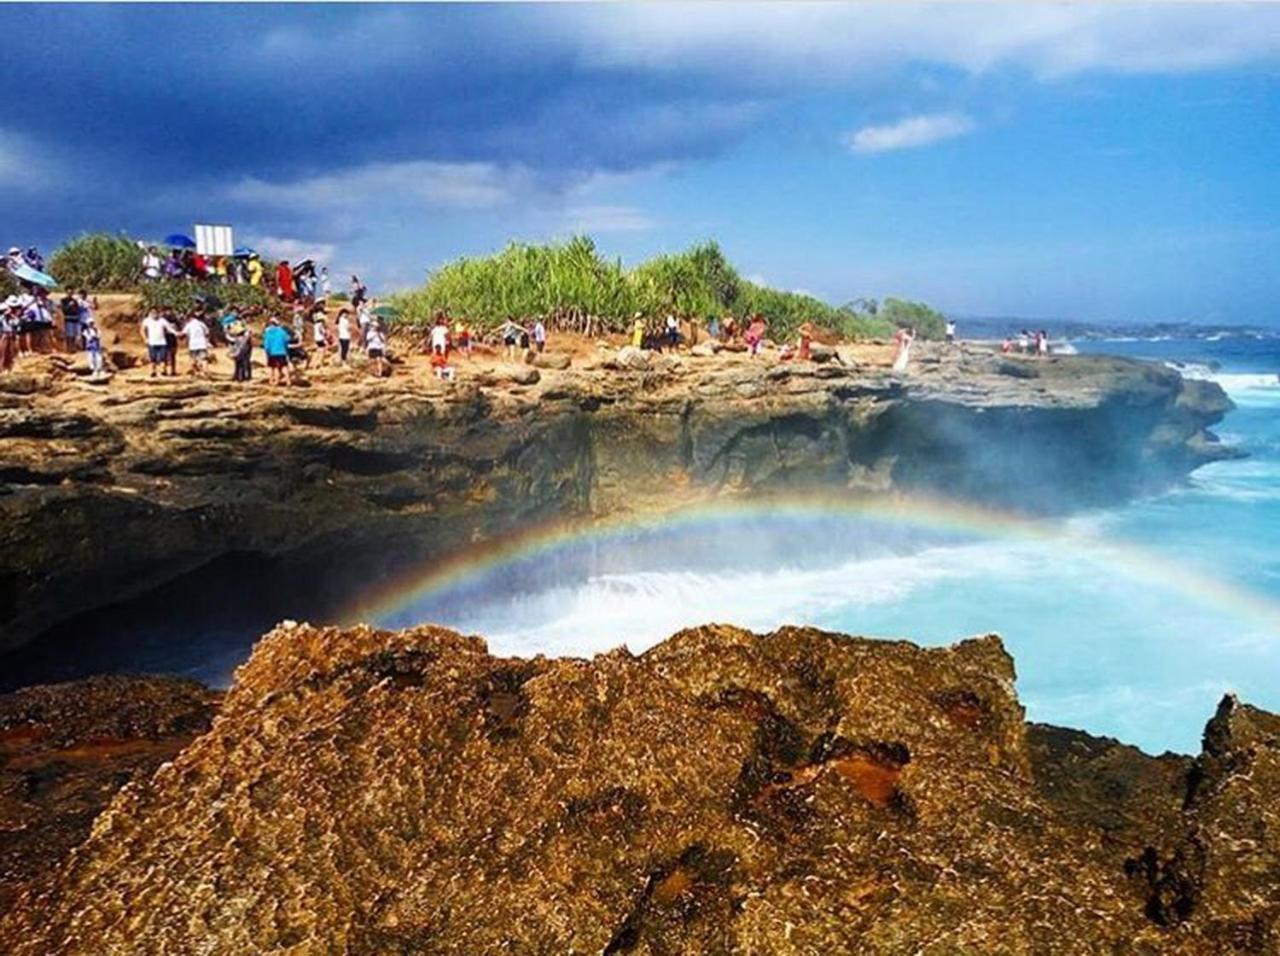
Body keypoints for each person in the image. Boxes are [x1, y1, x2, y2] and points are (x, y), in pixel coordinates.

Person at [140, 309, 176, 377]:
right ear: (150, 313)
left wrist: (177, 333)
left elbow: (169, 329)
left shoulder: (162, 320)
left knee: (162, 358)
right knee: (153, 358)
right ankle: (153, 372)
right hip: (152, 343)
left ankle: (163, 371)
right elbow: (142, 330)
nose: (154, 314)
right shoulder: (147, 320)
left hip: (162, 342)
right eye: (152, 312)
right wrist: (145, 339)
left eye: (155, 312)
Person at [262, 316, 292, 386]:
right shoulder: (282, 331)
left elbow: (266, 344)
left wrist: (267, 352)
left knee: (274, 367)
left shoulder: (268, 332)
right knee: (284, 366)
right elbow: (287, 339)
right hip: (282, 351)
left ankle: (275, 381)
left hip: (272, 352)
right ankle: (288, 381)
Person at [181, 312, 211, 376]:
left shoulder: (189, 325)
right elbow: (207, 333)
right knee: (204, 359)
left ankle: (194, 372)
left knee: (193, 359)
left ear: (190, 318)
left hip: (193, 345)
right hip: (202, 344)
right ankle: (205, 372)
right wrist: (207, 341)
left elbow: (183, 334)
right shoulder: (201, 324)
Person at [83, 315, 105, 380]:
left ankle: (99, 369)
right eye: (90, 323)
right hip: (90, 347)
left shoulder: (97, 330)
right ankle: (94, 370)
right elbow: (88, 337)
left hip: (96, 346)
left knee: (98, 358)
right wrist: (93, 336)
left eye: (92, 323)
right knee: (91, 358)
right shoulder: (86, 331)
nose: (91, 324)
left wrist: (95, 335)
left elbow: (98, 336)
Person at [0, 298, 18, 372]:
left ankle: (9, 368)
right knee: (3, 354)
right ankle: (2, 368)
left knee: (10, 354)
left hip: (11, 336)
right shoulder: (2, 318)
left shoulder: (12, 318)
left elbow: (17, 323)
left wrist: (13, 317)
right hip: (4, 336)